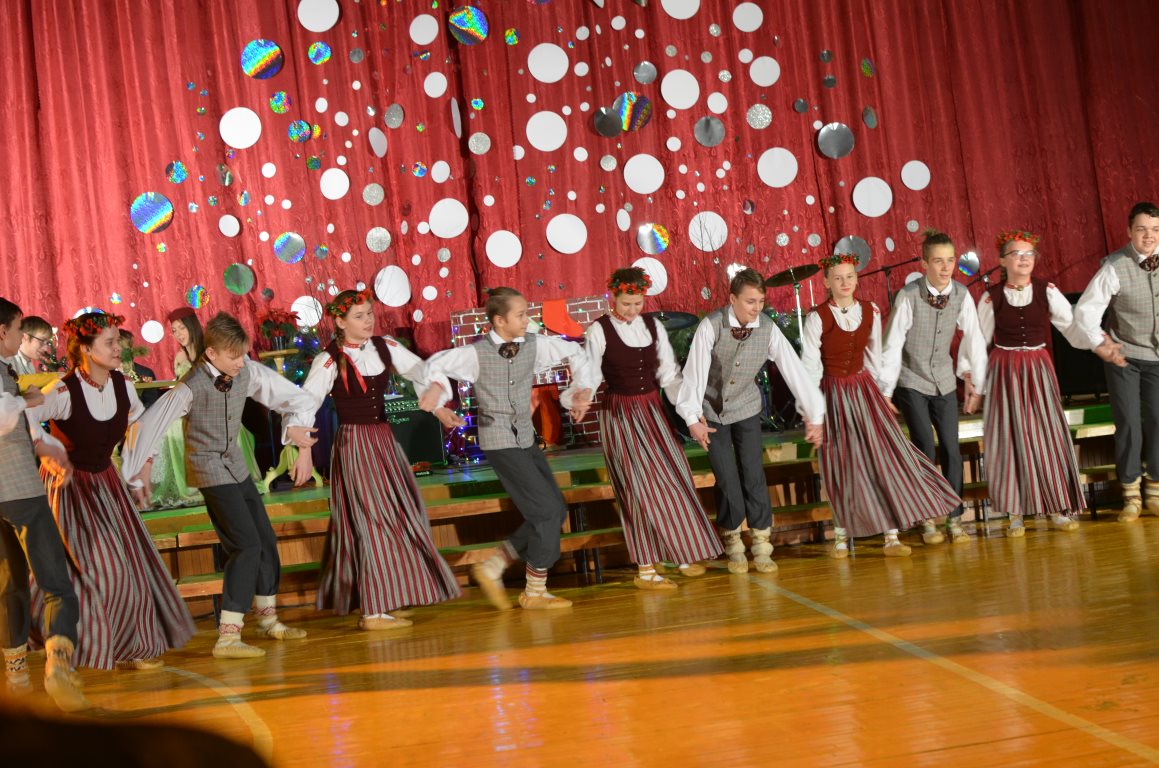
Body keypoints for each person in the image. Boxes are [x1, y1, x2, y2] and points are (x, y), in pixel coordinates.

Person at [122, 312, 320, 658]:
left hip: (235, 465)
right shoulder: (190, 386)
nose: (241, 362)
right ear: (211, 353)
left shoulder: (247, 371)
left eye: (243, 354)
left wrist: (295, 434)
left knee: (265, 539)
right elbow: (149, 425)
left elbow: (294, 398)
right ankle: (228, 637)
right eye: (233, 356)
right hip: (208, 468)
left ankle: (268, 619)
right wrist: (140, 468)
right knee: (245, 545)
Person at [26, 312, 194, 670]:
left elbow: (140, 426)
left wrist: (143, 466)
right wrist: (46, 449)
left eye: (118, 341)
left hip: (106, 484)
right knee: (97, 571)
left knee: (132, 567)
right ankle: (60, 640)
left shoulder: (123, 386)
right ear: (86, 349)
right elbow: (25, 418)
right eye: (110, 343)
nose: (119, 348)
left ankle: (130, 646)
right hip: (69, 489)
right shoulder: (63, 391)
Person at [287, 289, 462, 630]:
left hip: (383, 441)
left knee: (400, 513)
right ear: (340, 322)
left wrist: (439, 407)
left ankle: (387, 596)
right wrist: (304, 451)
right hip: (355, 444)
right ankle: (373, 611)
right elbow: (304, 404)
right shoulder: (329, 360)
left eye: (369, 313)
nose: (368, 321)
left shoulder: (385, 346)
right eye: (359, 316)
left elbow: (423, 372)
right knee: (372, 520)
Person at [420, 288, 593, 610]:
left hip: (525, 437)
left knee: (555, 509)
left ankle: (495, 565)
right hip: (499, 440)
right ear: (500, 321)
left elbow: (576, 353)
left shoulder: (534, 344)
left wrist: (579, 391)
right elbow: (433, 367)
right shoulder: (475, 353)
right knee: (546, 511)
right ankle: (534, 591)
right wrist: (439, 400)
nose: (528, 320)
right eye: (521, 315)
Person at [801, 254, 959, 556]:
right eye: (838, 278)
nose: (845, 282)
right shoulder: (817, 317)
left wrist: (881, 393)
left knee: (883, 457)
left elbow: (875, 356)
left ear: (856, 279)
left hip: (864, 390)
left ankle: (891, 535)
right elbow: (810, 366)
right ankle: (840, 535)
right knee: (841, 462)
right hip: (833, 392)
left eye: (850, 276)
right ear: (826, 282)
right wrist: (813, 413)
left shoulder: (869, 310)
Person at [675, 268, 824, 574]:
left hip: (746, 407)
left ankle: (761, 543)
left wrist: (813, 413)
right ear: (733, 299)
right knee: (727, 478)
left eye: (760, 301)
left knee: (754, 473)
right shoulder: (711, 326)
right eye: (750, 301)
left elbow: (793, 369)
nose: (756, 308)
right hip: (712, 412)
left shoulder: (767, 328)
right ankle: (733, 540)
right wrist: (692, 418)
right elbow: (694, 374)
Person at [582, 268, 722, 589]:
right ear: (613, 297)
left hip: (653, 411)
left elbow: (670, 377)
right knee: (638, 488)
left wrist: (692, 418)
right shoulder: (599, 330)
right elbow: (588, 374)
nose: (633, 310)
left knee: (676, 475)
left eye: (638, 303)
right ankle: (646, 569)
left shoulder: (653, 326)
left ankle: (681, 552)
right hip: (621, 414)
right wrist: (581, 396)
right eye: (626, 303)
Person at [978, 230, 1115, 536]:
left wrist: (1098, 343)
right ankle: (1015, 513)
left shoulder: (1047, 291)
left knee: (1047, 434)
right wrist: (975, 382)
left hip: (1038, 367)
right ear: (1003, 261)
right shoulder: (991, 297)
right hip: (1005, 368)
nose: (1024, 259)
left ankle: (1057, 506)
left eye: (1029, 254)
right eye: (1016, 254)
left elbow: (1073, 327)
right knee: (1010, 436)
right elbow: (977, 343)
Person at [0, 297, 88, 711]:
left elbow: (22, 426)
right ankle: (58, 668)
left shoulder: (7, 371)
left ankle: (17, 678)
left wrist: (45, 445)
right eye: (19, 329)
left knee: (10, 585)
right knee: (55, 583)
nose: (20, 336)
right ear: (3, 331)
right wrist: (27, 401)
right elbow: (5, 416)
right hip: (18, 490)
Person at [881, 229, 988, 545]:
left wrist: (975, 383)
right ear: (924, 263)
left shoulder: (961, 294)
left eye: (950, 260)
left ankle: (954, 518)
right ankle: (926, 517)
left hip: (943, 381)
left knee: (952, 449)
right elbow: (892, 344)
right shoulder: (908, 296)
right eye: (938, 261)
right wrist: (885, 391)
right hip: (911, 380)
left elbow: (974, 338)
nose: (945, 267)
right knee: (925, 446)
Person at [1074, 202, 1159, 521]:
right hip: (1124, 355)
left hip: (1157, 356)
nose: (1149, 236)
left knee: (1158, 420)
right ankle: (1131, 493)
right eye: (1142, 229)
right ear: (1129, 232)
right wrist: (1102, 344)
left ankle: (1155, 489)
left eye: (1155, 230)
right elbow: (1085, 312)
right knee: (1129, 423)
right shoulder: (1114, 266)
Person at [119, 328, 161, 408]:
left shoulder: (145, 374)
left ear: (131, 349)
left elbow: (152, 402)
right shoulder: (105, 374)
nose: (120, 354)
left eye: (124, 349)